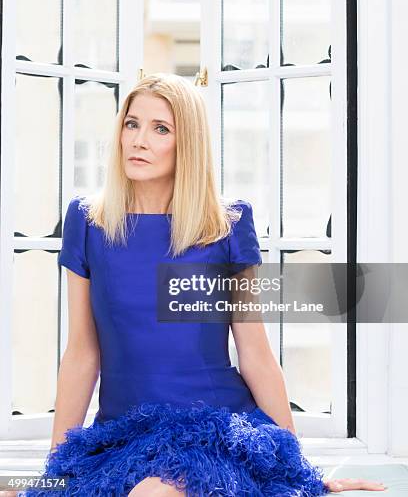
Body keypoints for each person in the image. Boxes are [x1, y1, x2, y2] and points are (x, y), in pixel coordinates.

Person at [17, 73, 386, 496]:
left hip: (210, 430)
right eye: (131, 123)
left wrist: (294, 468)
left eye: (161, 129)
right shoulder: (88, 221)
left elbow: (255, 353)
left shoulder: (226, 225)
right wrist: (53, 472)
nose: (139, 140)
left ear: (187, 142)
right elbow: (82, 351)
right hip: (121, 436)